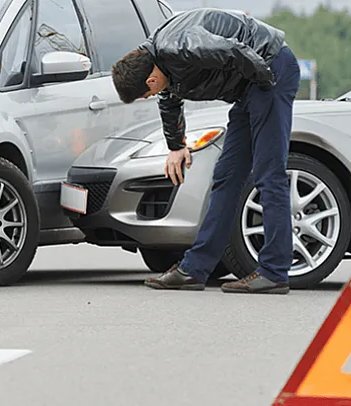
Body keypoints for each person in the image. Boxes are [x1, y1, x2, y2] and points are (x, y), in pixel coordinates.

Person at [111, 8, 300, 294]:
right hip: (251, 85)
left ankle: (274, 272)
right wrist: (176, 146)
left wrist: (266, 86)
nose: (153, 95)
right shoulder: (158, 61)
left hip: (269, 70)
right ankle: (194, 269)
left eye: (147, 94)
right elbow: (169, 100)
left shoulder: (180, 46)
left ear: (150, 80)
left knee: (268, 173)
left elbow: (234, 50)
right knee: (226, 176)